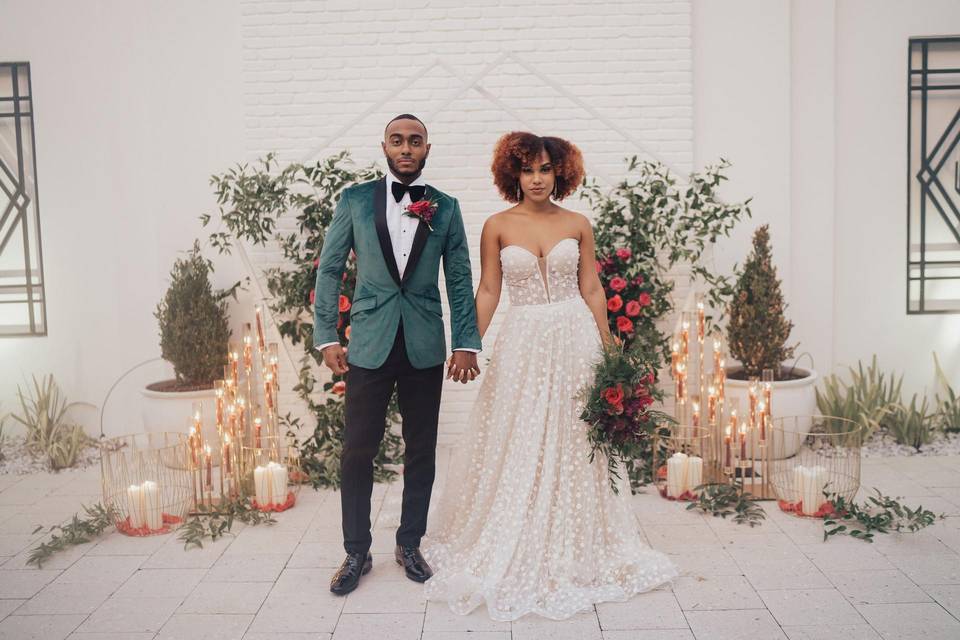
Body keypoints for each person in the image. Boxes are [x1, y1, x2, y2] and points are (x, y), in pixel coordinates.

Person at [422, 131, 678, 620]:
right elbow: (490, 291)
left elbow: (592, 288)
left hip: (573, 338)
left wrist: (609, 348)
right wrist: (466, 344)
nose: (537, 179)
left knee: (573, 432)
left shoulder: (578, 223)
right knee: (517, 432)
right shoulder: (497, 225)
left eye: (545, 169)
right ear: (512, 174)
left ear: (560, 172)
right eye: (527, 170)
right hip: (523, 341)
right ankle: (514, 524)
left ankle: (579, 536)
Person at [313, 114, 482, 595]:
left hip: (425, 343)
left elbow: (459, 279)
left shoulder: (446, 208)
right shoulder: (354, 200)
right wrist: (327, 336)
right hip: (368, 341)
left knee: (421, 449)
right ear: (384, 147)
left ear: (428, 147)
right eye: (397, 140)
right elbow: (329, 270)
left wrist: (465, 343)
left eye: (415, 141)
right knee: (357, 450)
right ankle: (355, 551)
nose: (405, 148)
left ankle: (409, 542)